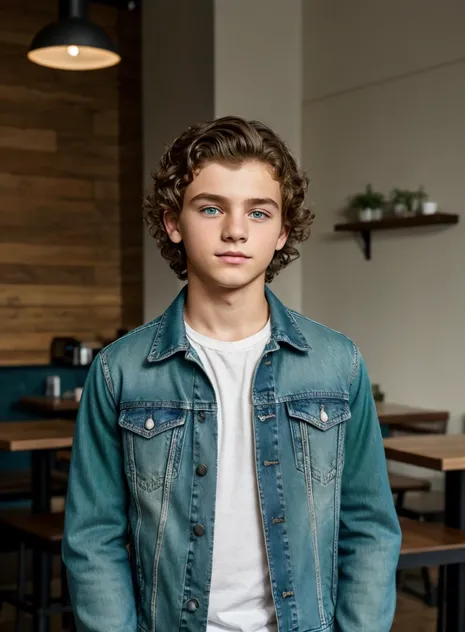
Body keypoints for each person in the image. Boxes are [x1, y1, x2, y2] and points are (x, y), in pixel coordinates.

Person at [63, 115, 401, 632]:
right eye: (211, 207)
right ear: (174, 222)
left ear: (283, 230)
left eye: (259, 212)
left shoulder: (338, 363)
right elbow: (93, 541)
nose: (235, 230)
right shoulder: (119, 372)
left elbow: (371, 530)